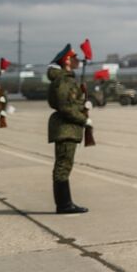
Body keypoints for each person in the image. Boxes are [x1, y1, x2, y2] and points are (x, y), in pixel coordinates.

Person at [47, 44, 92, 214]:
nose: (78, 60)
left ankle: (65, 203)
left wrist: (83, 103)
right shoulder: (64, 80)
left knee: (64, 165)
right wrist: (84, 119)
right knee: (63, 166)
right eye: (75, 57)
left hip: (68, 128)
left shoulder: (67, 79)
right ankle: (64, 205)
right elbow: (65, 107)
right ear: (67, 60)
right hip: (66, 128)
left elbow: (70, 103)